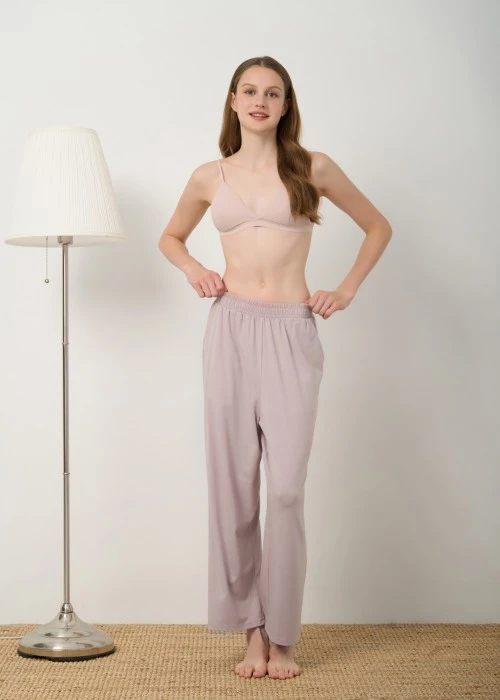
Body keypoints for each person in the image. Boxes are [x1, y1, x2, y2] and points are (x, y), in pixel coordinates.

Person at [158, 55, 392, 681]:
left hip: (291, 330)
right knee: (234, 487)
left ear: (286, 105)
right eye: (250, 91)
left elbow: (377, 226)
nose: (261, 101)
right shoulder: (209, 175)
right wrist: (194, 269)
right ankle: (253, 632)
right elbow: (170, 237)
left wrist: (345, 289)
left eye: (273, 92)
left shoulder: (313, 167)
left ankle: (284, 633)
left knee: (285, 490)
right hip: (230, 330)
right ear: (233, 101)